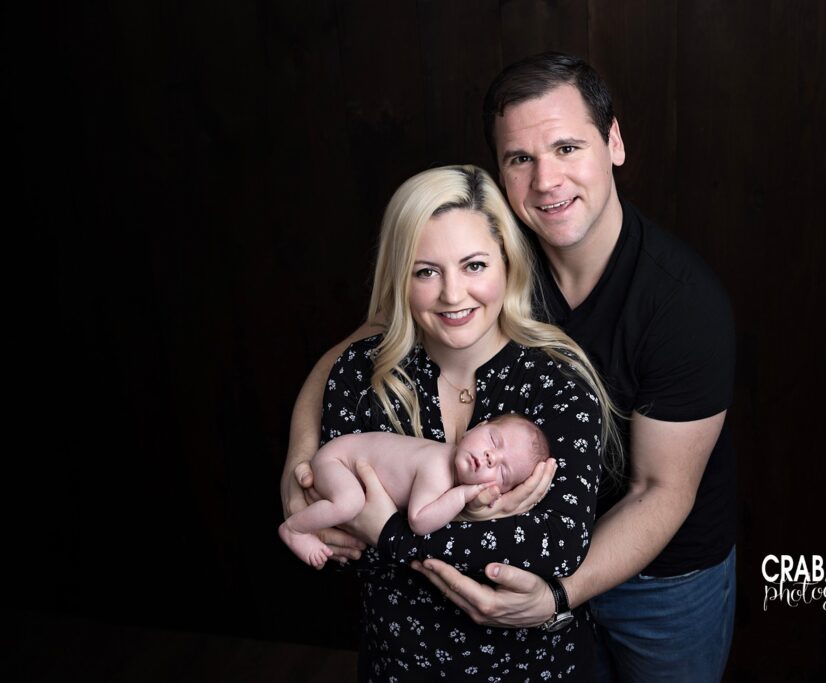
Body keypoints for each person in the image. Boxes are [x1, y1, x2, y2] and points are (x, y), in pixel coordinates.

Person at [281, 52, 738, 682]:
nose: (546, 181)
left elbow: (659, 491)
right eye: (520, 159)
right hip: (510, 557)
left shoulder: (682, 306)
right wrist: (302, 463)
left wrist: (554, 597)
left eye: (568, 147)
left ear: (615, 143)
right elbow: (367, 341)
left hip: (660, 571)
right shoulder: (486, 249)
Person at [288, 163, 620, 680]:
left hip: (533, 669)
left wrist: (392, 532)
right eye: (426, 271)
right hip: (399, 664)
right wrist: (476, 522)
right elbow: (344, 546)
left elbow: (557, 547)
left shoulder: (558, 385)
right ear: (400, 277)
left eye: (473, 265)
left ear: (507, 264)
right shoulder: (362, 373)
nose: (452, 294)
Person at [279, 414, 549, 567]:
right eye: (493, 440)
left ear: (499, 492)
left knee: (352, 501)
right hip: (338, 461)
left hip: (343, 458)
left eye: (502, 471)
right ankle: (294, 529)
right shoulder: (438, 469)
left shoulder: (446, 462)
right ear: (476, 427)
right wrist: (463, 495)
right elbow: (419, 521)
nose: (491, 456)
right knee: (350, 502)